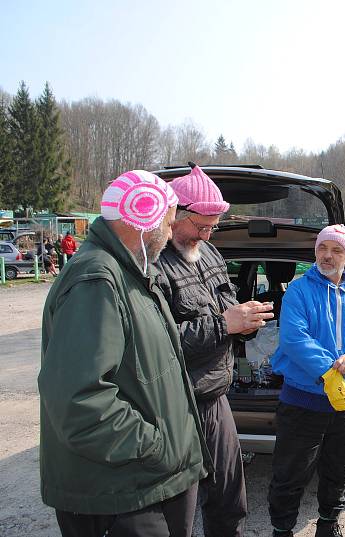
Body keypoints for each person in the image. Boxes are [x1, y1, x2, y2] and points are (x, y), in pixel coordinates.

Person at [39, 170, 209, 537]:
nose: (169, 232)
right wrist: (159, 448)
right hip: (123, 494)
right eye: (167, 222)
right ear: (142, 222)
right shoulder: (97, 279)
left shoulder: (127, 272)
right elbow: (80, 401)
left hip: (143, 486)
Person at [154, 164, 274, 536]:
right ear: (174, 215)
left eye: (212, 227)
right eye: (199, 226)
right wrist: (225, 324)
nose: (205, 235)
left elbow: (226, 304)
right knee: (180, 511)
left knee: (228, 500)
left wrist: (245, 320)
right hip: (177, 406)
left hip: (215, 398)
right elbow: (160, 341)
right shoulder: (154, 264)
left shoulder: (208, 253)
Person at [268, 225, 345, 537]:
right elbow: (295, 339)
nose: (328, 255)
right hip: (302, 401)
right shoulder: (298, 291)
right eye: (323, 249)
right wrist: (329, 371)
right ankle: (282, 529)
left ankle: (328, 523)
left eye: (336, 250)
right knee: (290, 473)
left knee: (339, 468)